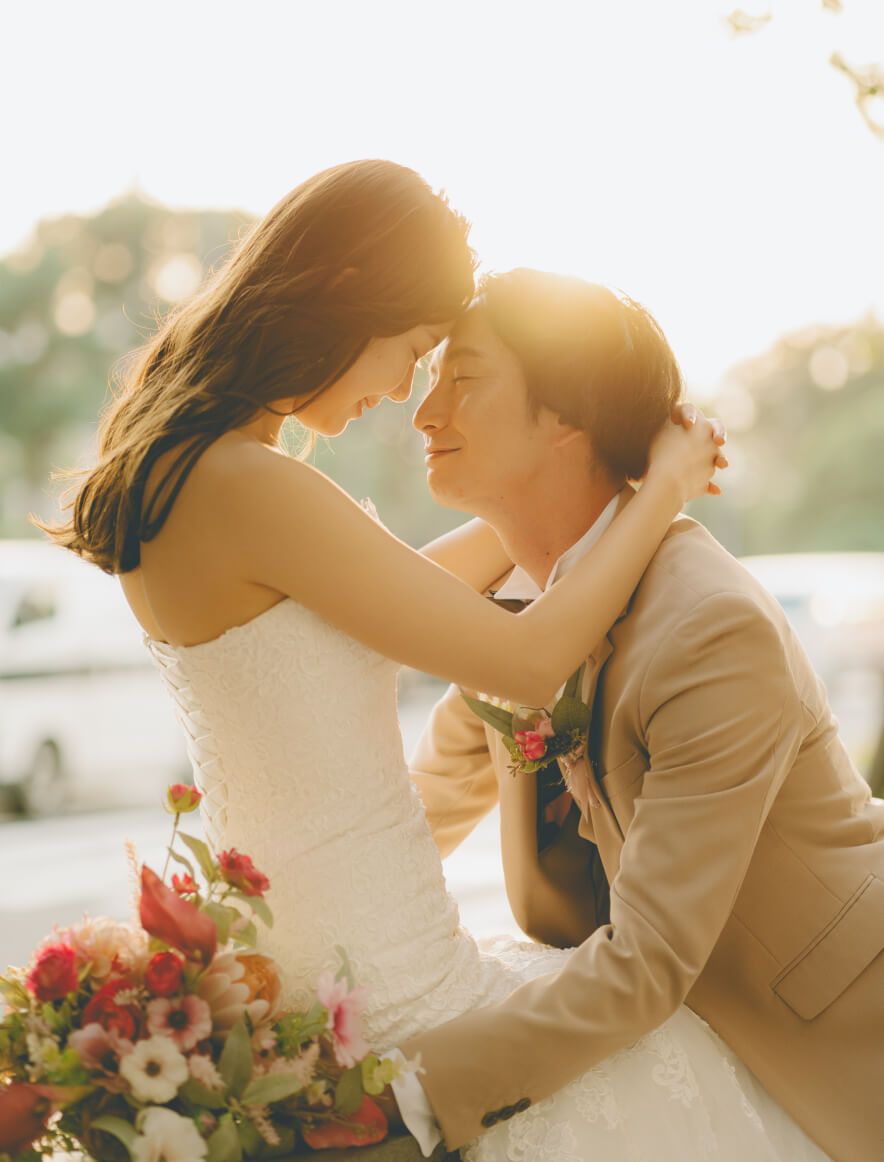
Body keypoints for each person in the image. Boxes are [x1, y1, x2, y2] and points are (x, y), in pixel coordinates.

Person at [37, 161, 799, 1162]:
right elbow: (525, 659)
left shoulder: (203, 470)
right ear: (347, 288)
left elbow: (396, 602)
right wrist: (659, 486)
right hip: (394, 995)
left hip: (335, 971)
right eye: (408, 352)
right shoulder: (245, 482)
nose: (405, 392)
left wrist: (586, 493)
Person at [403, 268, 884, 1162]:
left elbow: (648, 963)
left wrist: (403, 1096)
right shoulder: (515, 619)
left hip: (834, 1043)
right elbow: (414, 815)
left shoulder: (708, 627)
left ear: (566, 417)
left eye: (461, 380)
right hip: (672, 1051)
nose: (426, 414)